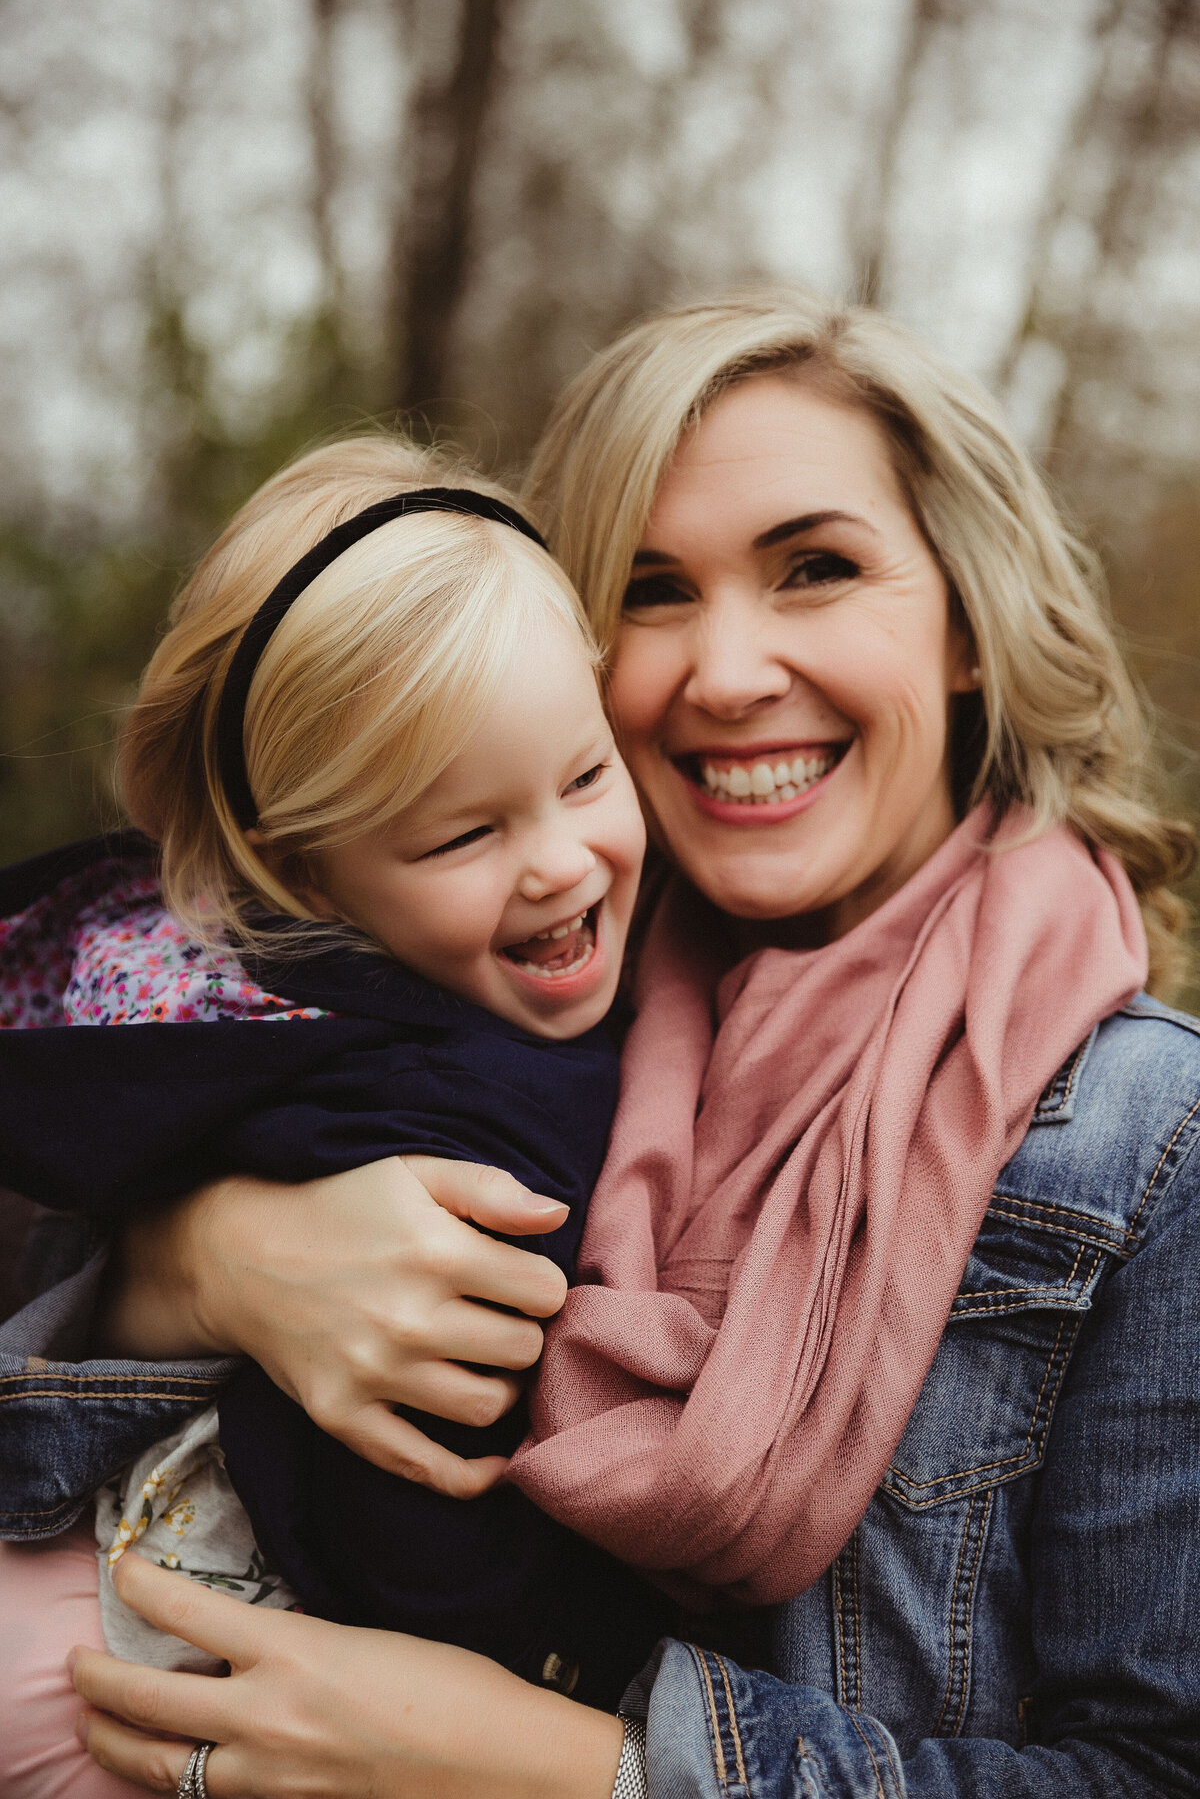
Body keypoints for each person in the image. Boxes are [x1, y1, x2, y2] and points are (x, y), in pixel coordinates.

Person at [6, 287, 1200, 1799]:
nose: (724, 670)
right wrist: (201, 1274)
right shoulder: (460, 1006)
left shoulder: (1149, 1143)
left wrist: (571, 1768)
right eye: (650, 590)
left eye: (816, 569)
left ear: (967, 624)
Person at [0, 435, 659, 1793]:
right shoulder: (457, 1106)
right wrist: (577, 1661)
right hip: (173, 1698)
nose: (557, 858)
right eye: (462, 836)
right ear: (310, 873)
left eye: (588, 777)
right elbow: (411, 1507)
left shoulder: (161, 992)